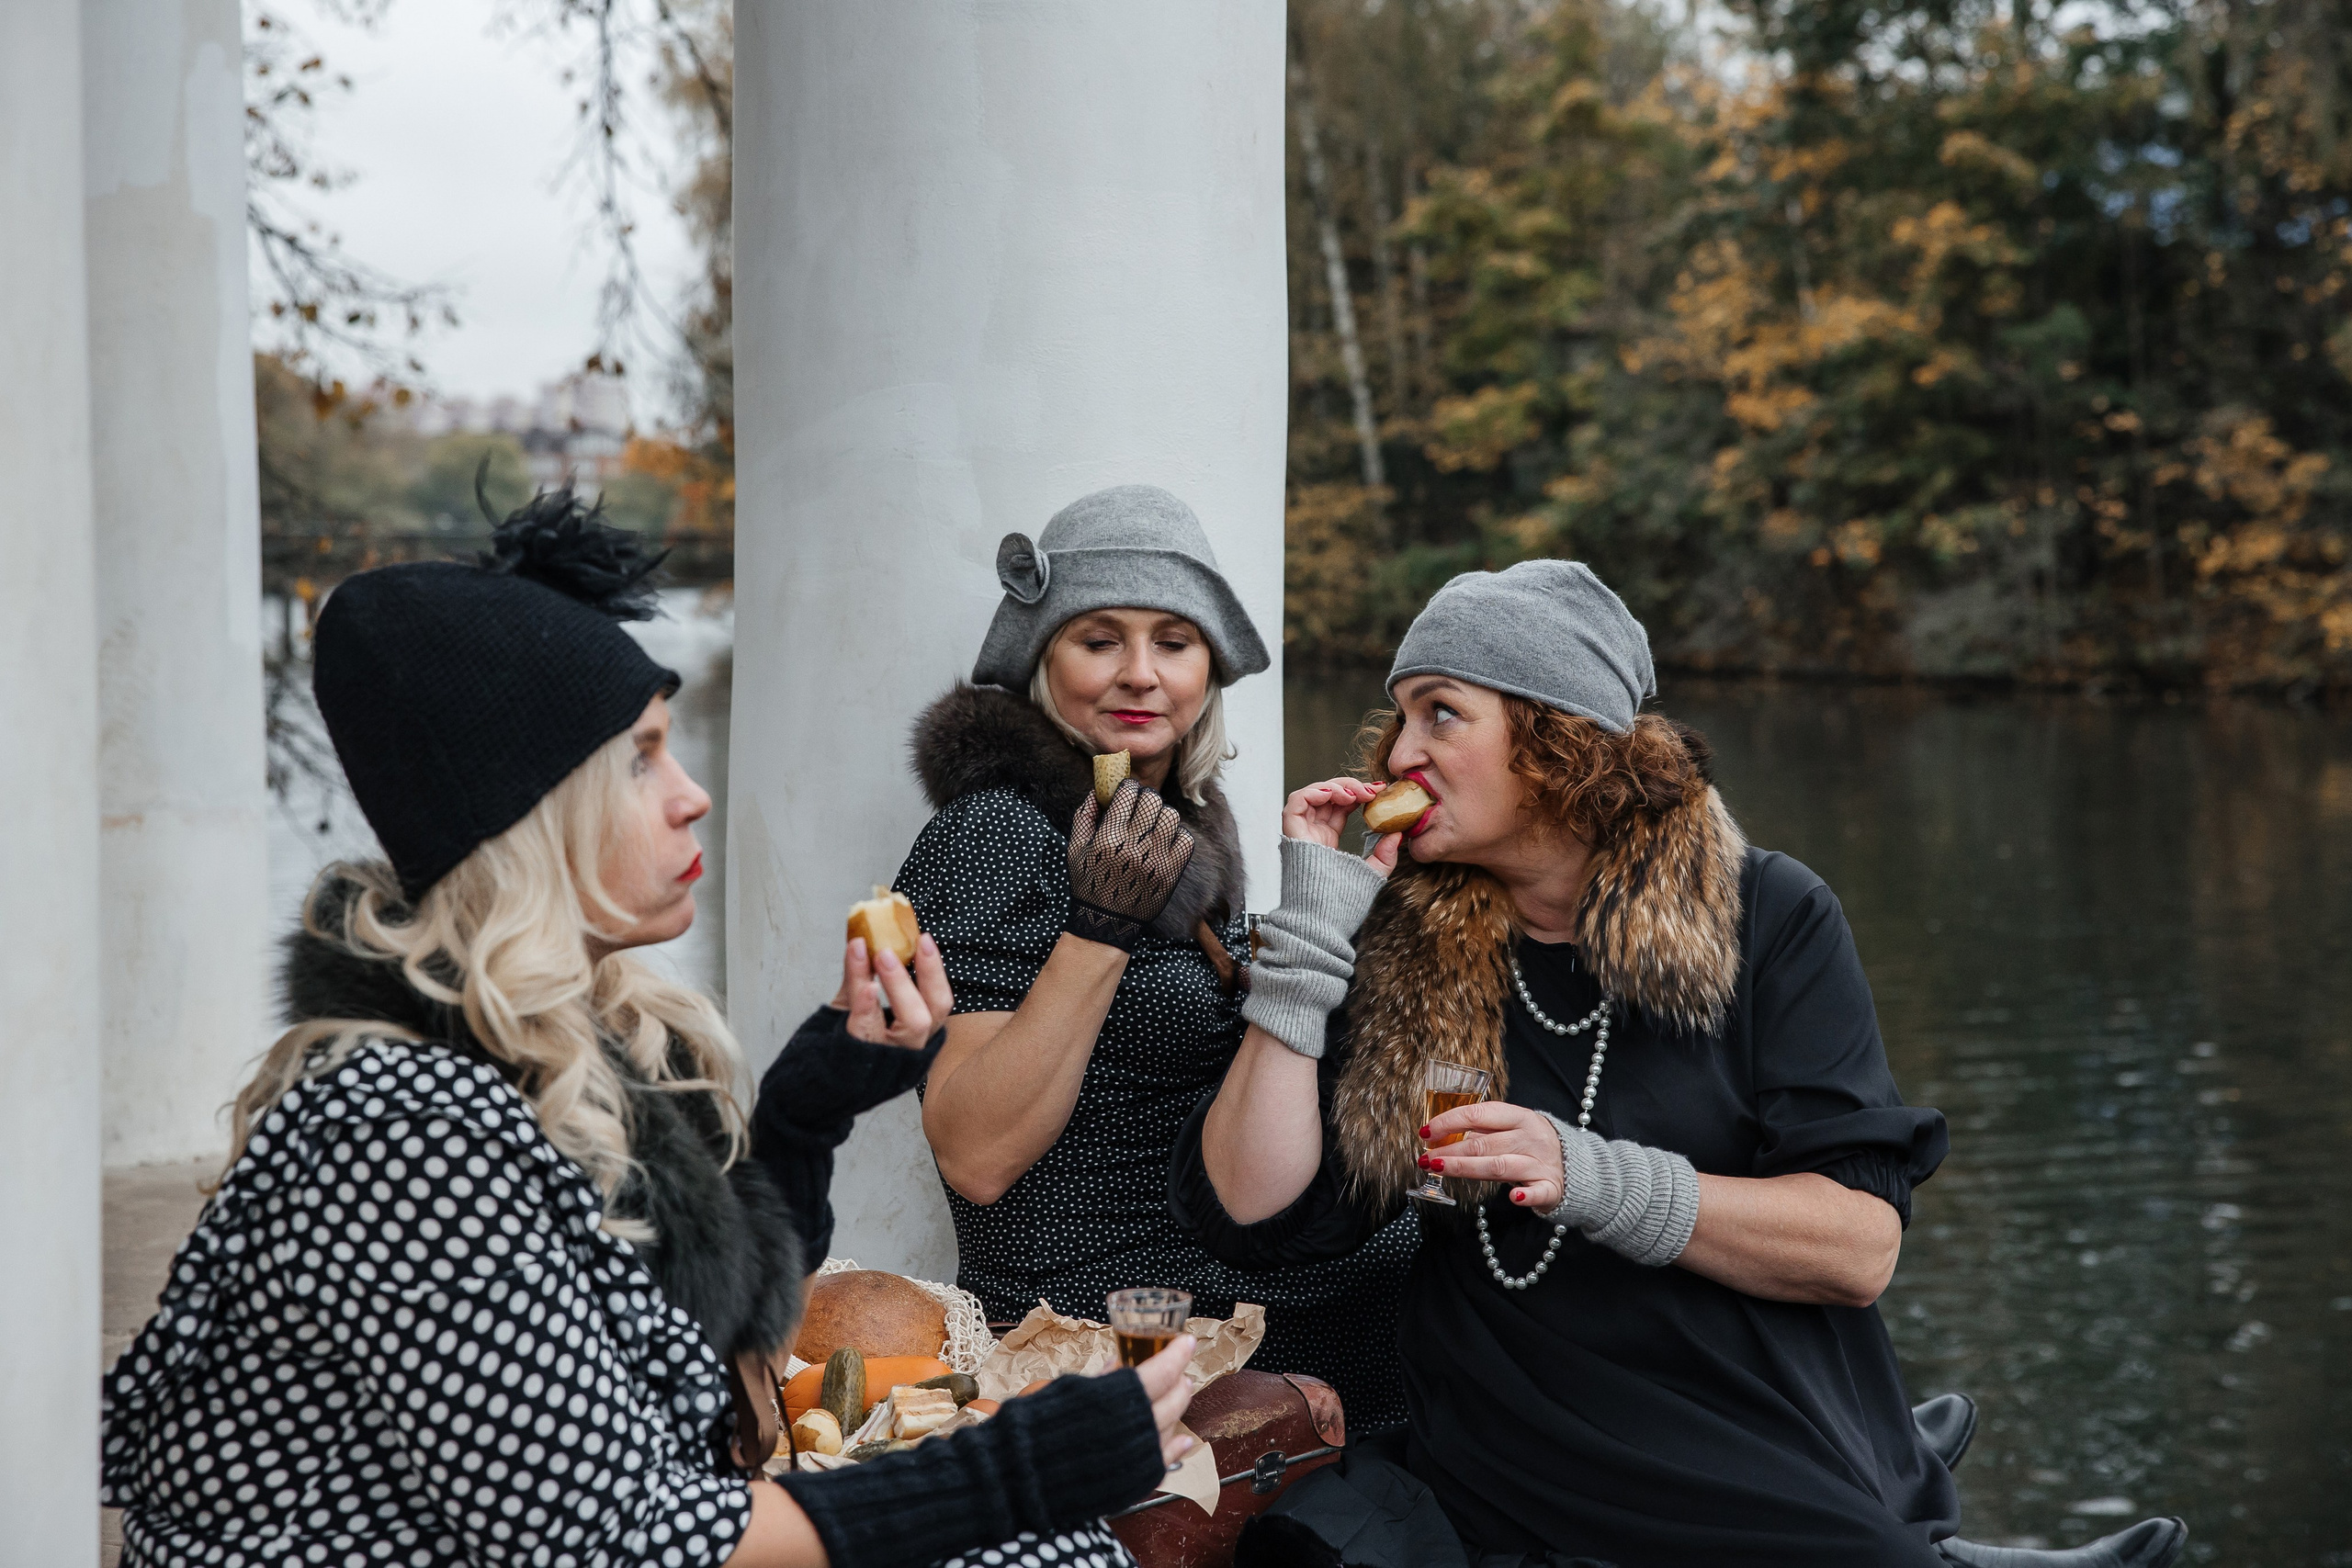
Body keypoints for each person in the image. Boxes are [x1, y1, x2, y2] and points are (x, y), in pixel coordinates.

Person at [99, 495, 1194, 1568]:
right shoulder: (398, 1124)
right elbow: (618, 1537)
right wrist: (1020, 1463)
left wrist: (805, 1116)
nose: (693, 798)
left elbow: (707, 1360)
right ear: (529, 815)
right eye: (641, 758)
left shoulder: (589, 1048)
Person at [1176, 561, 2189, 1568]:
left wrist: (1587, 1173)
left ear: (1557, 739)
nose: (1401, 752)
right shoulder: (1402, 941)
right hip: (1515, 1422)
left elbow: (1856, 1250)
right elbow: (1254, 1212)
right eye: (1398, 717)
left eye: (1442, 714)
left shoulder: (1770, 916)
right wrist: (1309, 943)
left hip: (1744, 1398)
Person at [899, 484, 1417, 1426]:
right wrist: (1098, 931)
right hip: (1120, 1322)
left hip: (1235, 1267)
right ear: (1041, 656)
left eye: (1172, 643)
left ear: (1206, 666)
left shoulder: (1186, 831)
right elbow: (974, 1156)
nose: (1140, 674)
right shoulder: (995, 833)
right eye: (1099, 640)